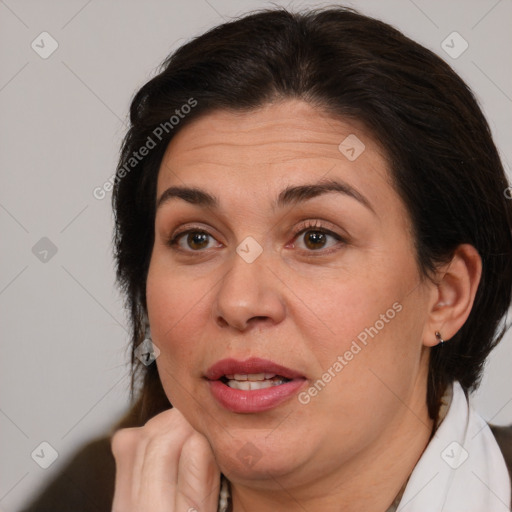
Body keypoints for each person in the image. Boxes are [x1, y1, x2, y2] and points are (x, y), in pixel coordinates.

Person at [27, 6, 512, 512]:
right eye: (196, 239)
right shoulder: (90, 491)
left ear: (446, 295)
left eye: (317, 238)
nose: (239, 301)